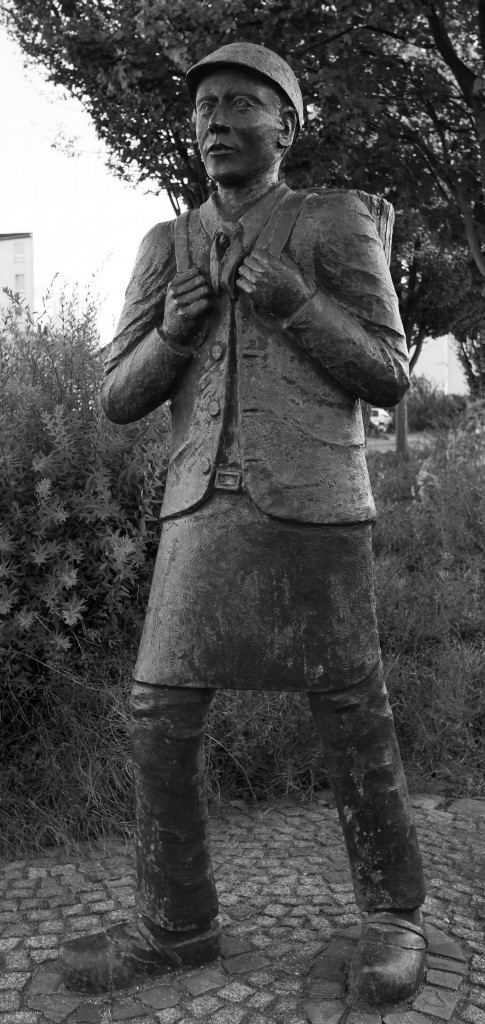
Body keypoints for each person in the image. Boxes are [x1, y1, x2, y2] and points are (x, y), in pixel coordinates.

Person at [59, 42, 427, 1005]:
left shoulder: (333, 220)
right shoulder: (164, 244)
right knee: (159, 713)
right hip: (199, 507)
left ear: (285, 127)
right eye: (203, 107)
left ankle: (392, 917)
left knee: (350, 712)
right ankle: (178, 926)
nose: (213, 120)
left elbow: (386, 372)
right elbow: (117, 398)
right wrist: (176, 332)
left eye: (238, 103)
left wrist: (295, 301)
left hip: (313, 502)